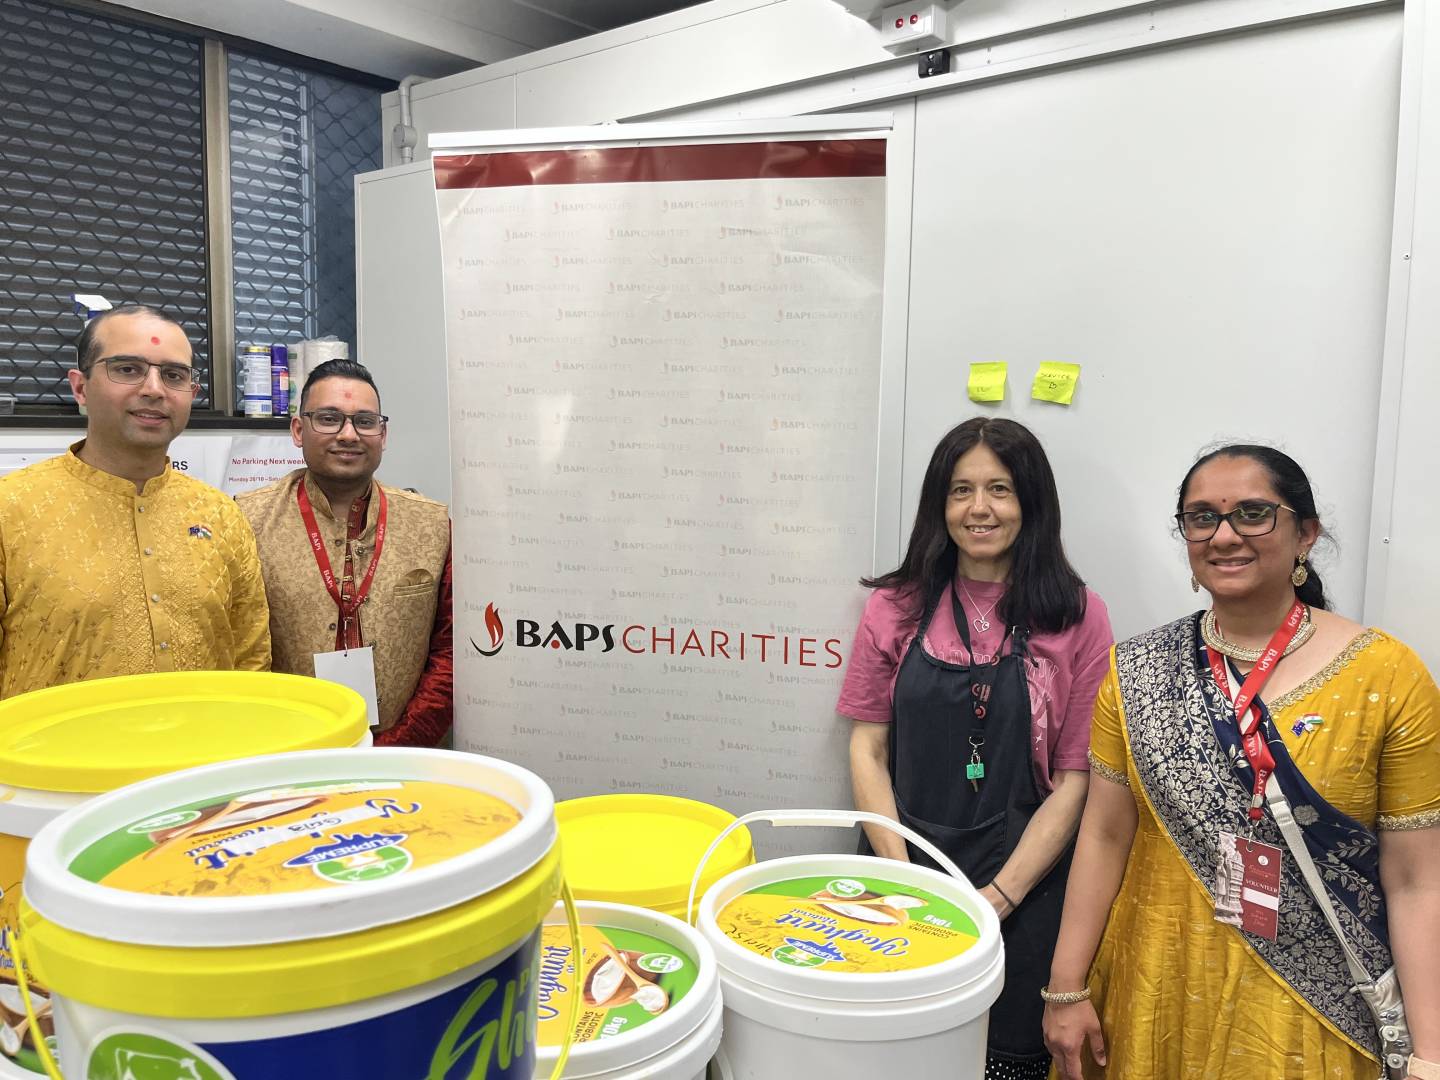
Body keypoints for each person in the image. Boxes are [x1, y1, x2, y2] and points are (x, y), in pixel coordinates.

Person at [1043, 445, 1440, 1080]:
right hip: (1156, 985)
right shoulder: (1137, 670)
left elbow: (1417, 880)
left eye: (1253, 513)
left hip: (1314, 1011)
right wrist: (1065, 988)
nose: (1224, 536)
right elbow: (1105, 835)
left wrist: (1430, 1054)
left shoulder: (1385, 675)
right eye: (1202, 517)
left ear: (1305, 534)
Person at [838, 417, 1114, 1080]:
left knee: (1003, 1061)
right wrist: (904, 880)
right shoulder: (895, 606)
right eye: (961, 490)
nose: (979, 508)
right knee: (891, 1051)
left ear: (1031, 502)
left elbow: (1076, 779)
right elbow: (867, 749)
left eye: (1000, 489)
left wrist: (998, 898)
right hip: (899, 866)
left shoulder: (1078, 615)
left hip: (1026, 881)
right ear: (940, 504)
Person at [0, 305, 271, 698]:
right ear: (80, 387)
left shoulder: (221, 514)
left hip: (206, 738)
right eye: (128, 369)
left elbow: (250, 659)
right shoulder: (11, 509)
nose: (154, 389)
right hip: (55, 740)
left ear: (191, 395)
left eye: (174, 375)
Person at [236, 359, 452, 746]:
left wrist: (400, 744)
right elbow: (237, 650)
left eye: (365, 421)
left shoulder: (432, 525)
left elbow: (450, 649)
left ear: (382, 434)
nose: (349, 434)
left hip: (403, 753)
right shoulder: (244, 520)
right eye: (329, 419)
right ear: (298, 430)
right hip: (286, 750)